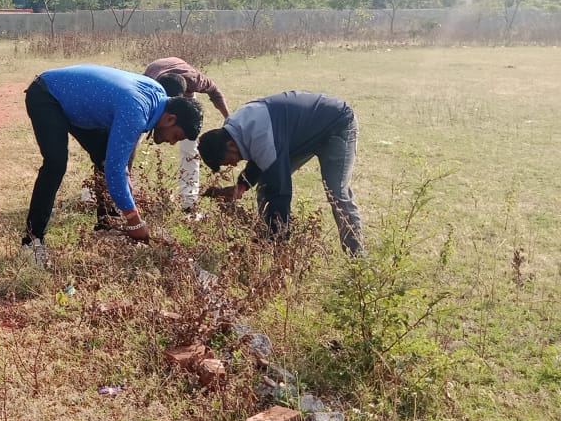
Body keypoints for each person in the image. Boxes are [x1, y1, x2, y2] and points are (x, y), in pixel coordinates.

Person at [22, 65, 204, 266]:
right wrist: (134, 220)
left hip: (75, 103)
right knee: (56, 164)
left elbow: (117, 163)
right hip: (48, 94)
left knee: (104, 156)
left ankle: (107, 223)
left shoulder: (158, 94)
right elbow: (114, 170)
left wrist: (125, 180)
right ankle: (32, 241)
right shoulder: (136, 111)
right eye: (176, 136)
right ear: (170, 119)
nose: (171, 142)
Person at [197, 91, 363, 255]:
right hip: (301, 134)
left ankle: (356, 259)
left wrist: (280, 243)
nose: (233, 164)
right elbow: (260, 157)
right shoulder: (236, 127)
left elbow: (279, 191)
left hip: (336, 124)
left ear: (231, 145)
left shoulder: (260, 135)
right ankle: (265, 241)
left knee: (337, 193)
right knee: (265, 183)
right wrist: (241, 186)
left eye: (228, 160)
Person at [142, 57, 231, 211]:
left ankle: (189, 201)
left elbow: (215, 92)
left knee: (190, 148)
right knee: (135, 136)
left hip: (185, 99)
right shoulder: (149, 88)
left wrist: (229, 120)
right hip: (156, 87)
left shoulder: (193, 80)